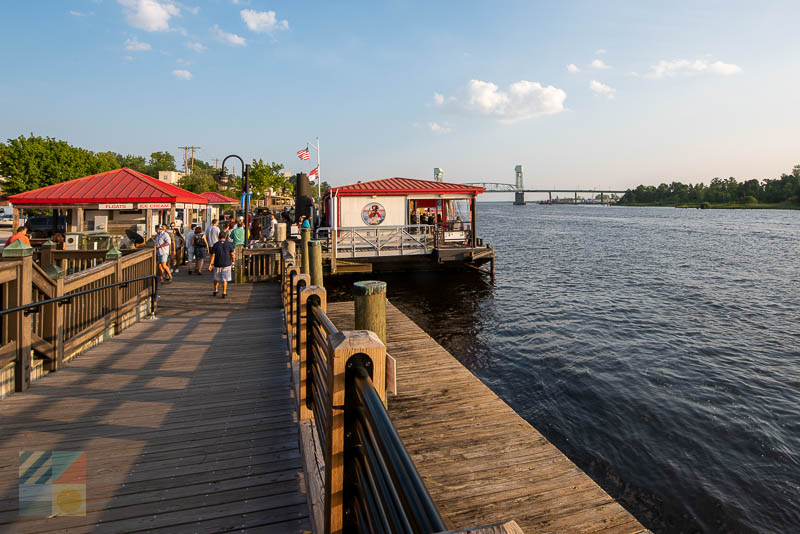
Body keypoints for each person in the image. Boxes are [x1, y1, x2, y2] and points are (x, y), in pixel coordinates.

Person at [208, 230, 235, 298]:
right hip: (226, 263)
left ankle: (215, 290)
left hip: (217, 263)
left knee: (216, 278)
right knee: (224, 279)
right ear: (225, 237)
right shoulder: (229, 244)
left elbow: (213, 255)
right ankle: (224, 292)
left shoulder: (216, 244)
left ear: (218, 237)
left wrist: (210, 264)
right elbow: (232, 254)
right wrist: (233, 261)